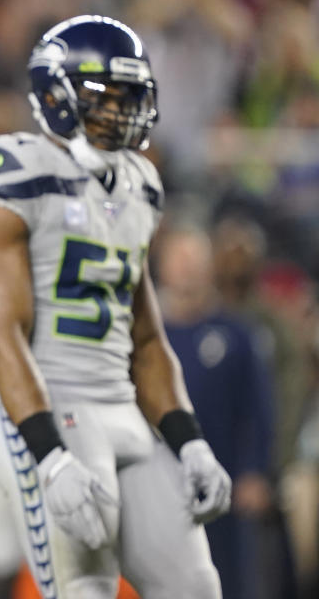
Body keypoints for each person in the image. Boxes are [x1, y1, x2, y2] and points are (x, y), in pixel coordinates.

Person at [0, 15, 232, 598]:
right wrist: (50, 456)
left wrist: (190, 441)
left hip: (121, 409)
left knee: (196, 587)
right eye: (106, 96)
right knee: (86, 588)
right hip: (42, 410)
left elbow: (147, 339)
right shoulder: (12, 175)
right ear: (56, 94)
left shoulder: (140, 184)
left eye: (131, 95)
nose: (122, 111)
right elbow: (2, 336)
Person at [157, 225, 279, 599]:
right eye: (180, 260)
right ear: (163, 268)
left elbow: (259, 408)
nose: (188, 269)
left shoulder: (237, 334)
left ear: (210, 268)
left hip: (225, 486)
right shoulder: (150, 337)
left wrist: (256, 471)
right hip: (163, 482)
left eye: (195, 260)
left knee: (229, 580)